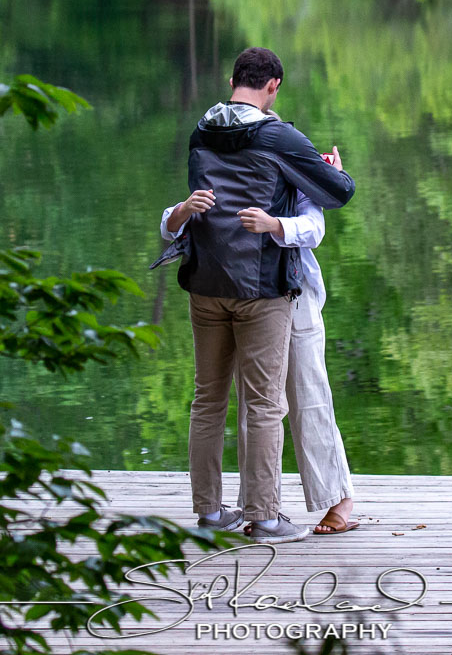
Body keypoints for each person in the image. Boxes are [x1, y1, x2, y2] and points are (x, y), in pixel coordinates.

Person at [163, 47, 355, 544]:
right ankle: (265, 517)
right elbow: (338, 192)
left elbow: (185, 212)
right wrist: (330, 168)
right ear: (274, 87)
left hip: (205, 283)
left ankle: (209, 512)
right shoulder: (279, 135)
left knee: (207, 402)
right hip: (262, 288)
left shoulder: (201, 132)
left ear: (232, 80)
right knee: (266, 403)